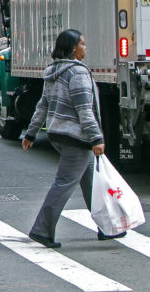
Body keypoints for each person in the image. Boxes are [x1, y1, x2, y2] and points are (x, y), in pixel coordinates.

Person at [22, 29, 122, 247]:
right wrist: (96, 139)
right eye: (83, 44)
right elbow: (84, 109)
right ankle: (42, 230)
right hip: (77, 137)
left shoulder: (53, 71)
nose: (85, 48)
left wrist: (32, 132)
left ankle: (107, 227)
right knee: (64, 183)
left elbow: (43, 105)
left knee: (91, 184)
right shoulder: (77, 73)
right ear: (73, 48)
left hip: (59, 133)